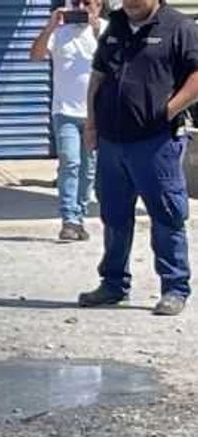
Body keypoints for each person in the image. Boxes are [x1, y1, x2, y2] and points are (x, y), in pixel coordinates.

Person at [80, 0, 198, 316]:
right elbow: (98, 77)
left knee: (166, 214)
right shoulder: (115, 25)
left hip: (155, 142)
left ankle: (174, 288)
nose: (129, 2)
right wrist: (91, 125)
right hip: (111, 142)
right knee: (114, 215)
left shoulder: (179, 28)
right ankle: (113, 284)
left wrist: (168, 111)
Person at [30, 0, 106, 241]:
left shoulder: (107, 30)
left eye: (89, 3)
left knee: (88, 168)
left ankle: (79, 216)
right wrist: (50, 25)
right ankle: (69, 219)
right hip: (65, 112)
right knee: (70, 162)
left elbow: (119, 61)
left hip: (95, 113)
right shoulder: (60, 33)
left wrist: (95, 30)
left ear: (100, 6)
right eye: (78, 2)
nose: (83, 7)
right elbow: (35, 55)